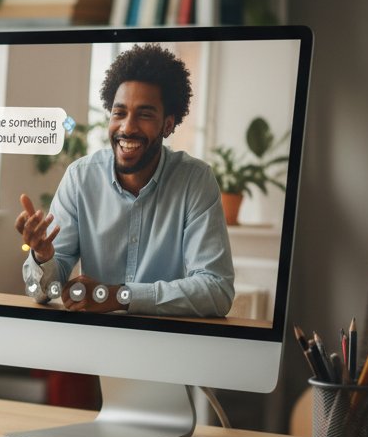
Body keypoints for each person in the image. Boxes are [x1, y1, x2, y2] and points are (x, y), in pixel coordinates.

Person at [15, 43, 234, 318]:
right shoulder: (80, 178)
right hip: (94, 344)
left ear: (167, 124)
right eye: (119, 113)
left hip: (166, 344)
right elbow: (39, 292)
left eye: (144, 114)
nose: (127, 127)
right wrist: (43, 257)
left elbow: (217, 290)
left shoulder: (195, 181)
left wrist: (120, 296)